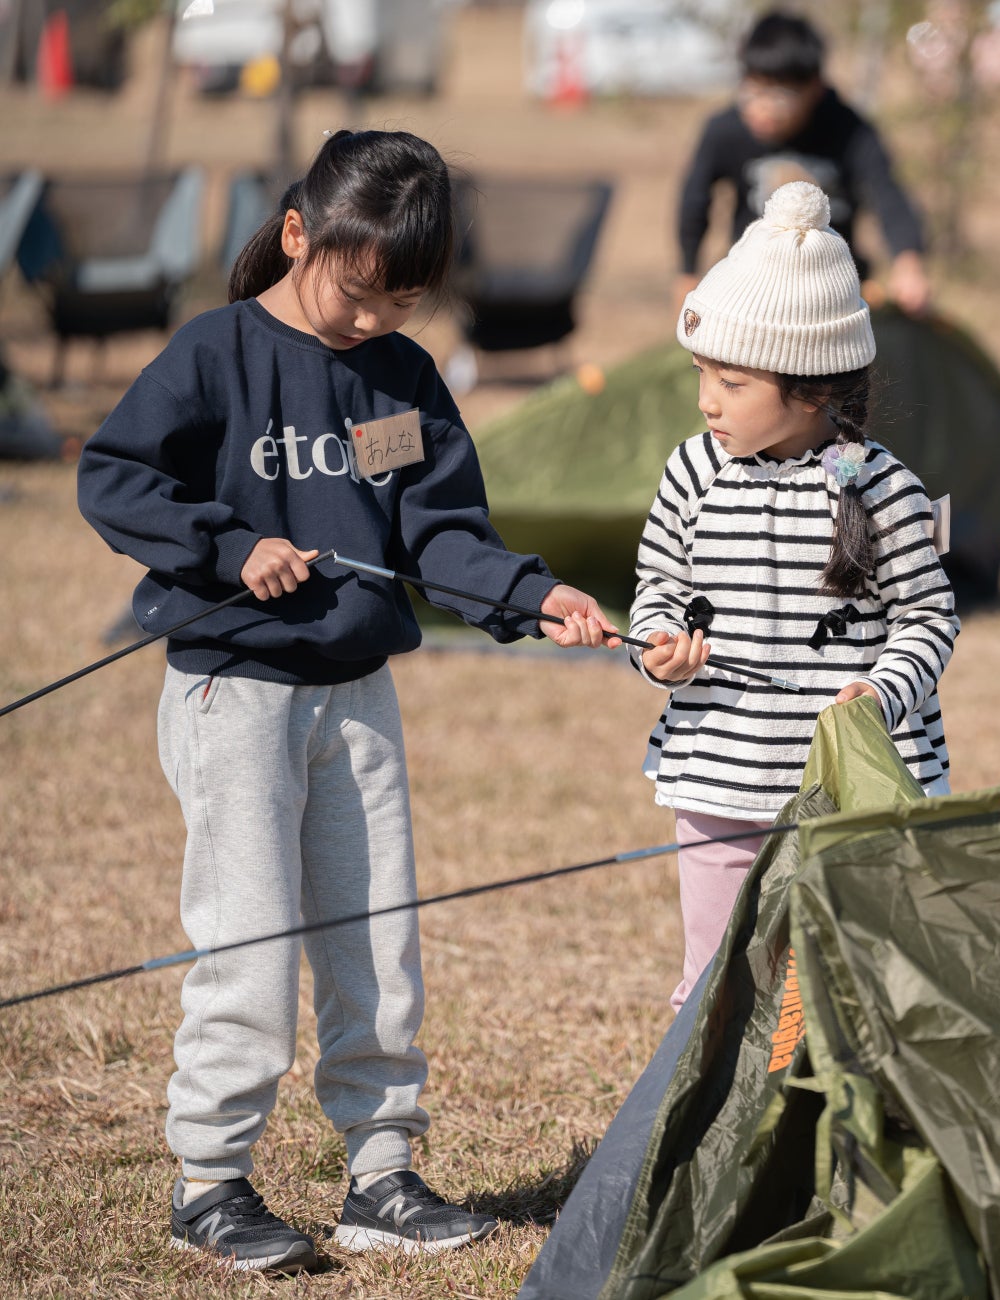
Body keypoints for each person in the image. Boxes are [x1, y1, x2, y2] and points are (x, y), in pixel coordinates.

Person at [76, 130, 620, 1274]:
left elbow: (439, 535)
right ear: (297, 236)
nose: (373, 322)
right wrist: (230, 550)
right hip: (238, 697)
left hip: (358, 697)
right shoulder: (216, 351)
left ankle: (381, 1173)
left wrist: (539, 593)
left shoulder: (401, 382)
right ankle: (211, 1181)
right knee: (254, 949)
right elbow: (115, 476)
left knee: (379, 946)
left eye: (402, 304)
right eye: (357, 292)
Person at [634, 181, 957, 1010]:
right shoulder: (691, 471)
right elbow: (657, 591)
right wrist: (660, 651)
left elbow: (929, 618)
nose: (707, 399)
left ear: (812, 388)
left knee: (847, 990)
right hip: (717, 777)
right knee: (716, 987)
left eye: (732, 383)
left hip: (848, 791)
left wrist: (881, 692)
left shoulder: (884, 489)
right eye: (702, 372)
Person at [673, 11, 930, 317]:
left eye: (781, 96)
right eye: (754, 92)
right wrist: (688, 269)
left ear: (815, 89)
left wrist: (908, 261)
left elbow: (888, 195)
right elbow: (695, 201)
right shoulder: (725, 131)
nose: (765, 108)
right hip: (751, 288)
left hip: (835, 292)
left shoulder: (851, 131)